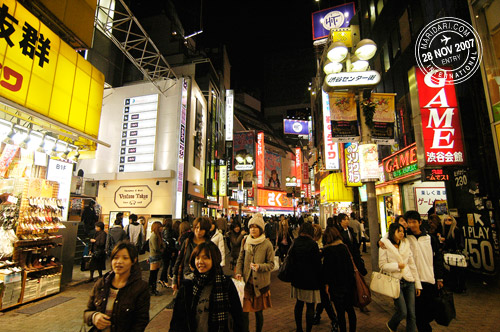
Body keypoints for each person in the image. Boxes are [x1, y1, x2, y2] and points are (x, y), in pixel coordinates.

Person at [169, 242, 243, 332]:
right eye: (197, 258)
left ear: (215, 259)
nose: (200, 262)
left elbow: (238, 316)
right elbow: (177, 319)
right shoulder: (188, 285)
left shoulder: (226, 284)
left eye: (205, 258)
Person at [84, 241, 150, 332]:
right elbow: (87, 312)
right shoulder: (101, 284)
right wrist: (94, 316)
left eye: (125, 258)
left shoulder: (140, 288)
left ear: (133, 261)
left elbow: (141, 321)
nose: (119, 262)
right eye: (115, 258)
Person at [404, 210, 444, 332]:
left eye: (414, 222)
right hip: (413, 281)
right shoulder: (404, 239)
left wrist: (439, 278)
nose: (411, 225)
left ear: (420, 222)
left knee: (428, 310)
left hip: (428, 279)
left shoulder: (429, 239)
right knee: (417, 312)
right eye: (409, 222)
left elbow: (438, 259)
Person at [235, 213, 274, 332]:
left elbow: (271, 264)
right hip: (246, 282)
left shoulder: (267, 244)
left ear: (261, 229)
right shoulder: (245, 241)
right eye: (251, 226)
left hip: (260, 284)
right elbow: (240, 258)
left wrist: (260, 267)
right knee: (244, 312)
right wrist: (238, 272)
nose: (252, 229)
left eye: (255, 226)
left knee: (258, 313)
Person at [380, 223, 421, 332]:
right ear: (393, 232)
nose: (402, 233)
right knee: (403, 311)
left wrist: (418, 284)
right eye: (399, 231)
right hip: (395, 281)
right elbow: (382, 265)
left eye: (403, 231)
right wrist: (397, 266)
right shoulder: (384, 245)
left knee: (412, 314)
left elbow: (412, 265)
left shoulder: (406, 244)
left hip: (409, 280)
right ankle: (391, 324)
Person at [169, 217, 212, 309]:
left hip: (203, 280)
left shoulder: (209, 245)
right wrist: (175, 279)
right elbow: (179, 260)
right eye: (196, 227)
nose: (198, 231)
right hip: (187, 278)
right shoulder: (187, 242)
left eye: (202, 229)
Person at [288, 222, 322, 332]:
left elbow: (291, 259)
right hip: (311, 279)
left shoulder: (295, 242)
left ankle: (299, 328)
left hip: (297, 278)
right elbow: (317, 264)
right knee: (310, 306)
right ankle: (308, 329)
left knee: (299, 304)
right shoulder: (313, 244)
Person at [322, 227, 356, 332]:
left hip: (336, 285)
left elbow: (327, 270)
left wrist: (326, 284)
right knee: (350, 310)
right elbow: (350, 266)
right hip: (349, 283)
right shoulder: (344, 247)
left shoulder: (328, 250)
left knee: (340, 313)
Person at [440, 214, 466, 293]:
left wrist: (445, 240)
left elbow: (457, 242)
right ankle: (456, 286)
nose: (447, 221)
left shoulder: (456, 230)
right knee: (454, 271)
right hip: (450, 252)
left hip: (454, 252)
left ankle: (459, 287)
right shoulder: (445, 230)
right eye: (446, 220)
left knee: (457, 271)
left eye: (449, 220)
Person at [148, 221, 165, 296]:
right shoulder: (154, 236)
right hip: (154, 256)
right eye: (160, 227)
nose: (162, 228)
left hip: (157, 256)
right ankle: (151, 289)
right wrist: (162, 249)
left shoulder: (158, 235)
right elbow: (155, 248)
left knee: (155, 274)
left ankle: (153, 289)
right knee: (153, 274)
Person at [159, 218, 176, 288]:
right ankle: (163, 280)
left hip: (164, 251)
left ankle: (163, 279)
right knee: (165, 266)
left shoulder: (163, 231)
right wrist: (172, 251)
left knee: (165, 266)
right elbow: (169, 242)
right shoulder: (168, 231)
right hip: (167, 251)